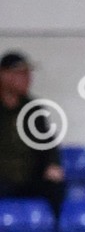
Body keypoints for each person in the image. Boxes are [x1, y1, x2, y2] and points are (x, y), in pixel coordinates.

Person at [0, 51, 65, 215]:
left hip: (28, 179)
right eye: (21, 74)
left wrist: (53, 165)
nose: (28, 78)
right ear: (4, 75)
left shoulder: (33, 109)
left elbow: (48, 143)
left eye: (28, 74)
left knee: (55, 186)